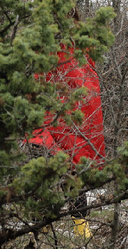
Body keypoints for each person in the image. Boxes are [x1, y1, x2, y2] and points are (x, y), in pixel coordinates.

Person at [30, 45, 105, 237]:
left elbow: (83, 84)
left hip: (65, 118)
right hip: (51, 118)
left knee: (66, 171)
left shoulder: (76, 45)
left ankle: (78, 229)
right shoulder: (51, 41)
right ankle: (43, 230)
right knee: (47, 172)